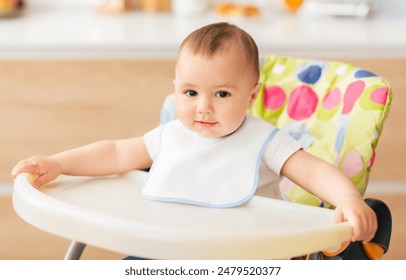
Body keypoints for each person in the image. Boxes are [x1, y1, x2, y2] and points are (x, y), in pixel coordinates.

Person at [11, 22, 376, 243]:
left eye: (221, 94)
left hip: (250, 255)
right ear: (175, 89)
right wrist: (58, 163)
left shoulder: (265, 140)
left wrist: (348, 200)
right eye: (190, 92)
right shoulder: (170, 135)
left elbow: (314, 171)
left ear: (251, 96)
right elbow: (114, 153)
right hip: (170, 248)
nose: (203, 106)